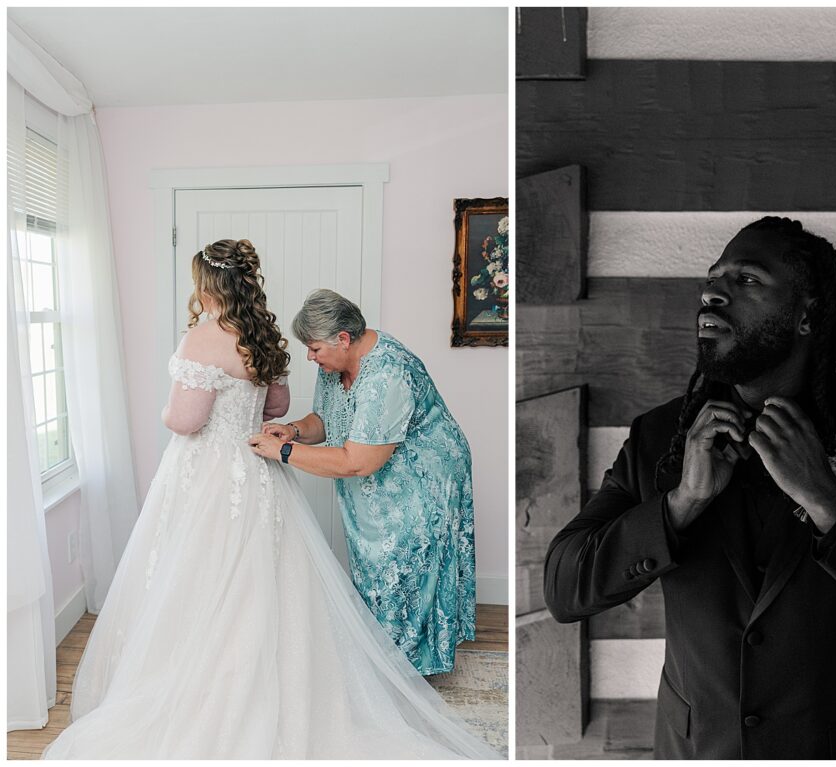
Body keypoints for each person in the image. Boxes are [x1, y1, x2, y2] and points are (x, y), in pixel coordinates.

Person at [544, 217, 836, 759]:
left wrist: (830, 504)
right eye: (713, 278)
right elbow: (563, 589)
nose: (713, 292)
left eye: (747, 279)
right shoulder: (660, 438)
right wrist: (681, 504)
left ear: (806, 315)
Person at [44, 240, 498, 759]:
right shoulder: (264, 336)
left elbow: (189, 420)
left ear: (207, 285)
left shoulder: (204, 338)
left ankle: (223, 682)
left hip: (217, 471)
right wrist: (284, 433)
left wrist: (170, 417)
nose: (313, 357)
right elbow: (281, 405)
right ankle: (322, 676)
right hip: (256, 471)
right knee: (270, 576)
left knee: (197, 574)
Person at [250, 289, 476, 675]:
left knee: (408, 562)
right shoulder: (334, 366)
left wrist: (283, 454)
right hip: (373, 474)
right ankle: (384, 659)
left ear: (343, 339)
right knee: (376, 564)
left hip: (423, 479)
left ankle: (409, 673)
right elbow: (324, 420)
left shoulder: (388, 373)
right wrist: (290, 431)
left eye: (314, 348)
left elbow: (359, 462)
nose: (310, 356)